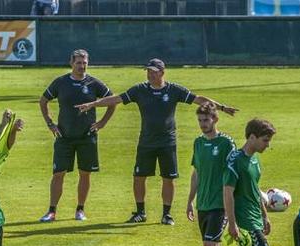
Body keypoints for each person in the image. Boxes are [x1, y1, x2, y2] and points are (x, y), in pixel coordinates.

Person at [76, 58, 238, 225]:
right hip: (146, 142)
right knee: (139, 176)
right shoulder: (139, 90)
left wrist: (222, 108)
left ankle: (166, 214)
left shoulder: (174, 90)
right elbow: (116, 99)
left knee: (168, 178)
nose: (150, 75)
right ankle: (140, 212)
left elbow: (199, 100)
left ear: (162, 72)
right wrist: (93, 104)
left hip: (167, 142)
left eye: (153, 72)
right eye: (148, 71)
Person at [39, 49, 115, 222]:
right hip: (64, 136)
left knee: (85, 173)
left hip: (87, 137)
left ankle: (80, 210)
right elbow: (43, 101)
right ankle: (52, 211)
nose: (82, 66)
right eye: (78, 63)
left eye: (84, 62)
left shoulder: (94, 83)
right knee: (58, 173)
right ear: (71, 63)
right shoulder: (61, 82)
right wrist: (50, 123)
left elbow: (112, 100)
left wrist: (102, 123)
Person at [223, 119, 275, 246]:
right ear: (251, 137)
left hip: (255, 218)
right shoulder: (236, 160)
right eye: (265, 140)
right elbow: (227, 192)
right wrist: (232, 224)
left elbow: (254, 189)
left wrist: (264, 215)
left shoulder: (254, 160)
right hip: (244, 222)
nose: (267, 145)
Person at [186, 103, 237, 246]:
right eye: (199, 121)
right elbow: (196, 173)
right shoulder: (198, 143)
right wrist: (190, 200)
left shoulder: (226, 143)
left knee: (210, 244)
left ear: (215, 119)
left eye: (206, 120)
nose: (202, 124)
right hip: (203, 204)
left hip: (219, 203)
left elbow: (234, 172)